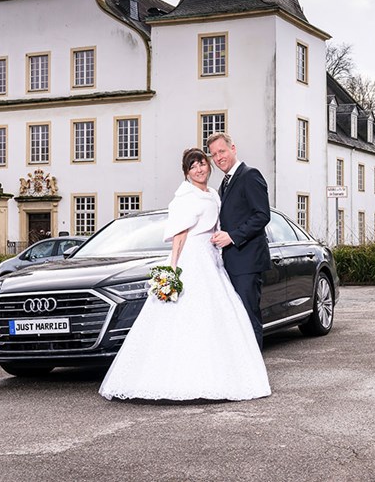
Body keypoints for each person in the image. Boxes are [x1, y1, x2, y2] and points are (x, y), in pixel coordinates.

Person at [99, 148, 270, 401]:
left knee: (217, 315)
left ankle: (220, 373)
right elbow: (180, 235)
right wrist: (173, 268)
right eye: (193, 167)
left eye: (202, 163)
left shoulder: (214, 192)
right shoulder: (184, 196)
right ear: (186, 172)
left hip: (212, 258)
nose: (200, 169)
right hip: (191, 257)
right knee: (181, 315)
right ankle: (175, 377)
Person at [207, 133, 270, 349]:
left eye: (222, 151)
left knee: (248, 316)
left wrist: (233, 236)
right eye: (214, 155)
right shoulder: (224, 184)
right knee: (236, 319)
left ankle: (255, 375)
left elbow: (262, 215)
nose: (218, 158)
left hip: (247, 262)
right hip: (231, 262)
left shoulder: (250, 175)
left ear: (233, 148)